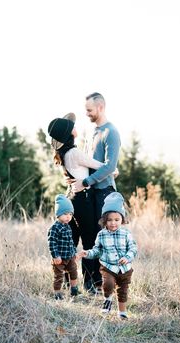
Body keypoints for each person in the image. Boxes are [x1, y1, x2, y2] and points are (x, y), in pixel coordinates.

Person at [48, 113, 104, 293]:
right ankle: (90, 283)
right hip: (82, 200)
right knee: (90, 240)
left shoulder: (65, 153)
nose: (75, 126)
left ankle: (66, 280)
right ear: (68, 133)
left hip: (72, 198)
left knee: (71, 241)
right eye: (71, 126)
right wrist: (115, 170)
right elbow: (102, 167)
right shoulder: (74, 153)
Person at [71, 92, 121, 290]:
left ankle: (104, 284)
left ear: (100, 107)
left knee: (104, 239)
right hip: (91, 193)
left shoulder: (111, 132)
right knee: (90, 238)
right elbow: (89, 162)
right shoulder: (92, 132)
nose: (87, 113)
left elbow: (110, 166)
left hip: (104, 195)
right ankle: (89, 283)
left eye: (89, 110)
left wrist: (86, 181)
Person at [78, 192, 137, 319]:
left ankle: (122, 312)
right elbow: (97, 251)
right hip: (108, 266)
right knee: (108, 284)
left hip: (125, 269)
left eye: (117, 220)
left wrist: (127, 257)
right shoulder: (102, 235)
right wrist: (87, 253)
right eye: (109, 220)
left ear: (122, 219)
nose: (113, 223)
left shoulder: (126, 234)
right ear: (104, 220)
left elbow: (133, 248)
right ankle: (108, 299)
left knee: (123, 291)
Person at [47, 194, 79, 300]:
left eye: (70, 214)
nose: (68, 217)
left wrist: (74, 252)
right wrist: (55, 256)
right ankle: (58, 293)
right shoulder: (55, 227)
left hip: (69, 257)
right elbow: (52, 243)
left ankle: (74, 289)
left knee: (74, 272)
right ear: (58, 214)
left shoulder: (68, 226)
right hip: (59, 258)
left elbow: (71, 241)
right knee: (58, 276)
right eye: (65, 214)